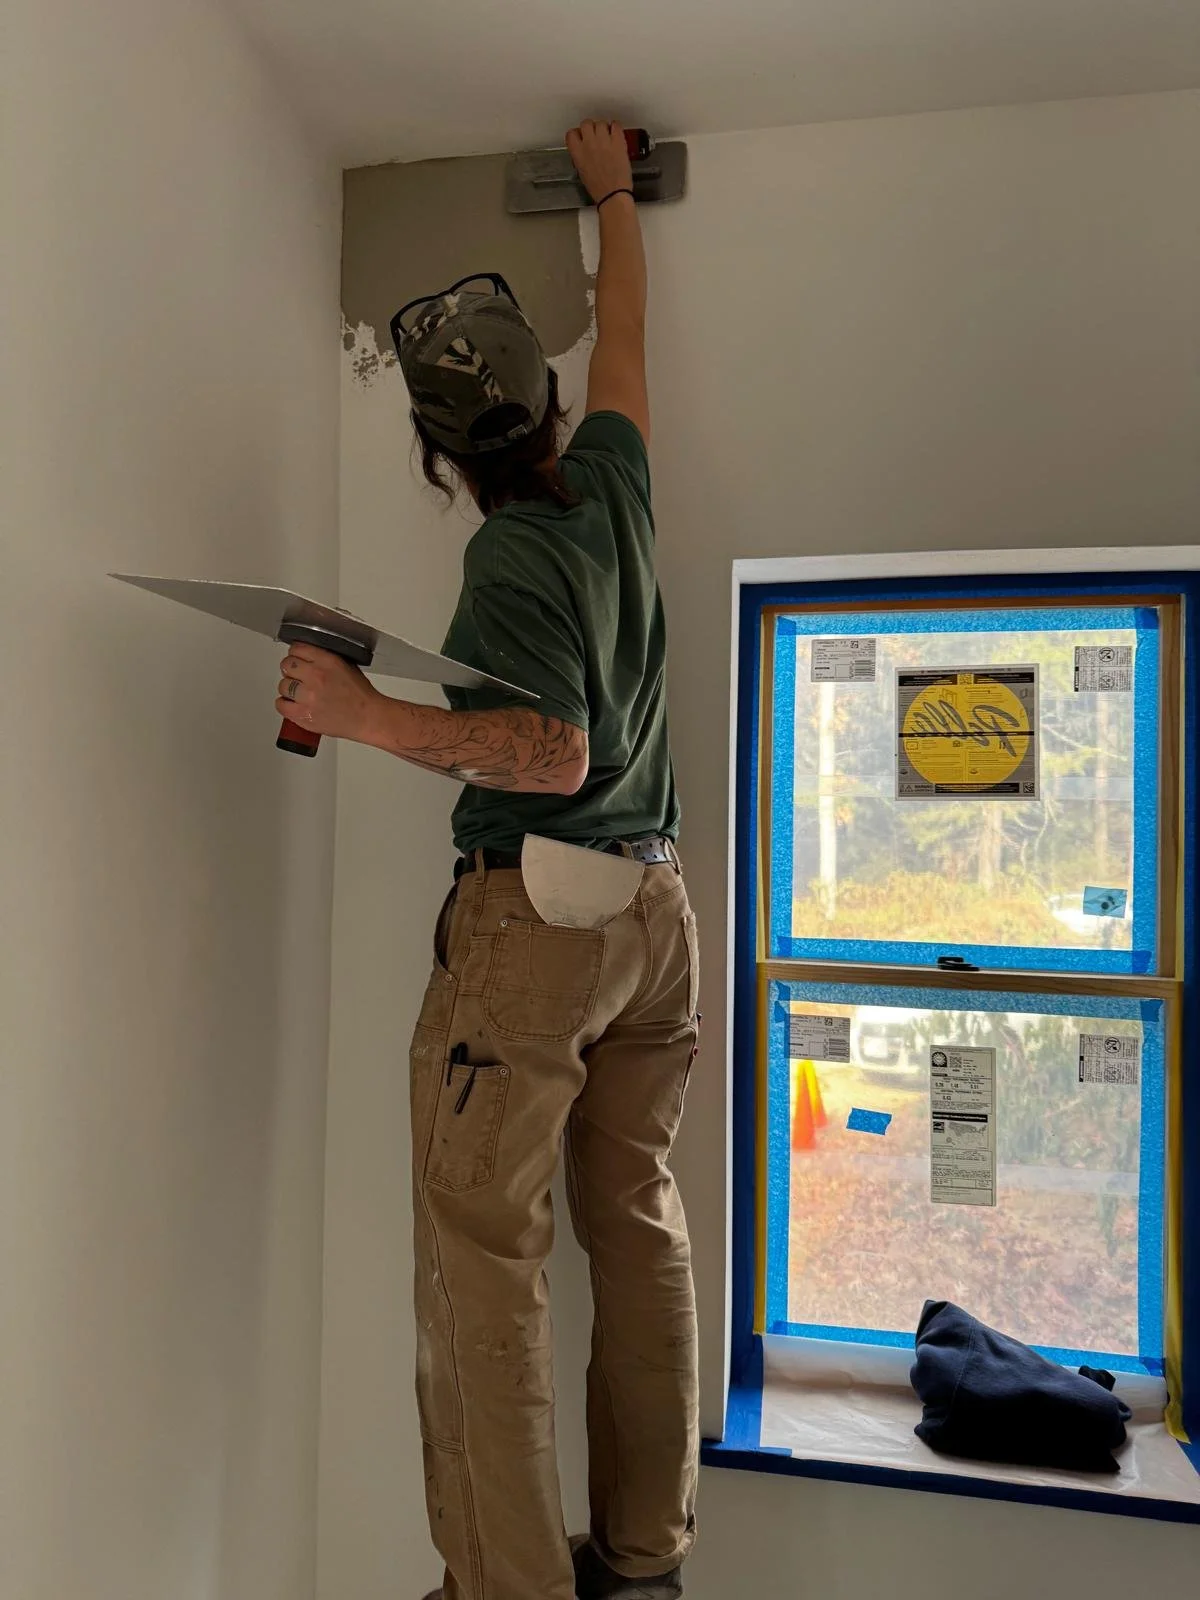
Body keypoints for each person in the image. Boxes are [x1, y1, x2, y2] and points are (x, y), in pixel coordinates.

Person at [274, 120, 698, 1600]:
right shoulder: (620, 481)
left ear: (439, 453)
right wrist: (609, 198)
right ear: (556, 402)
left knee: (481, 1271)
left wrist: (358, 711)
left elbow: (551, 753)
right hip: (656, 917)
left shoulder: (512, 553)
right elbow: (630, 335)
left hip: (545, 917)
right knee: (635, 1230)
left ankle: (506, 1590)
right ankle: (641, 1565)